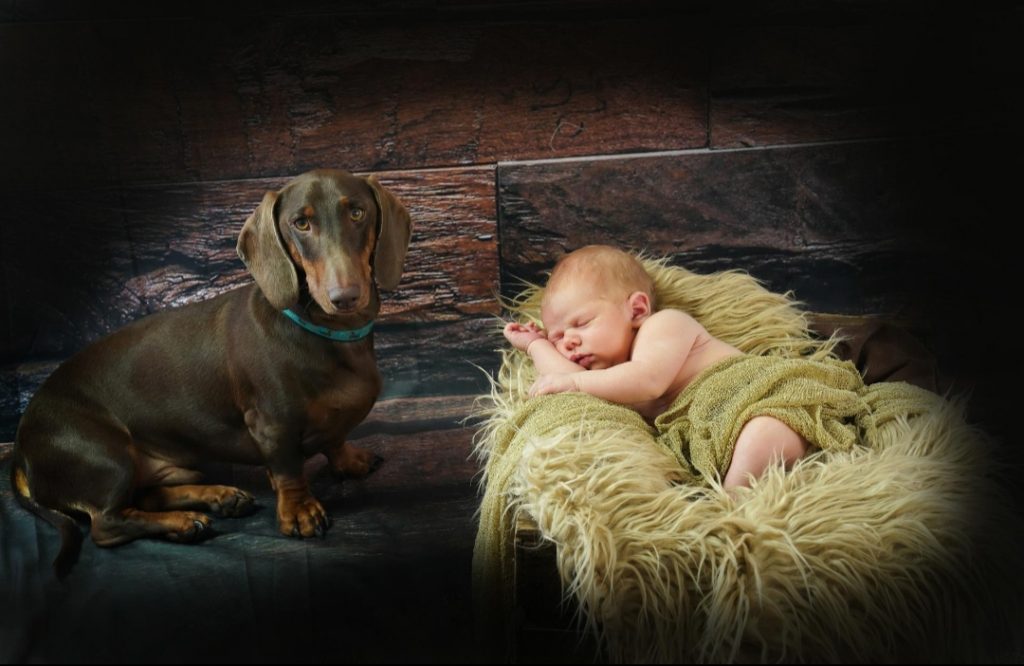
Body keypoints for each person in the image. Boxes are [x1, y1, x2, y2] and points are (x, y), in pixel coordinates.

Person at [503, 244, 813, 489]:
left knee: (762, 434)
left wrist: (575, 383)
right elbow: (564, 380)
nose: (569, 342)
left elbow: (647, 381)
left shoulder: (663, 325)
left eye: (582, 323)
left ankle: (731, 508)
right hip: (712, 434)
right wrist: (536, 345)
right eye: (558, 337)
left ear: (637, 310)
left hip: (756, 400)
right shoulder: (605, 377)